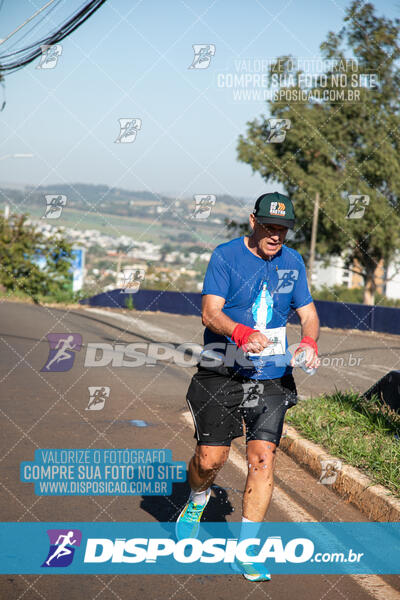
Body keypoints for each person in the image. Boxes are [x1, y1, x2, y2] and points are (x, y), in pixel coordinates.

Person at [176, 192, 320, 581]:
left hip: (270, 376)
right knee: (210, 460)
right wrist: (239, 332)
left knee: (262, 458)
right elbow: (210, 313)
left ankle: (247, 550)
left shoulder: (292, 262)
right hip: (222, 371)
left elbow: (308, 313)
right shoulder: (226, 256)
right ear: (253, 221)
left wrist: (308, 342)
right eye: (270, 227)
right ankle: (198, 497)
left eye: (283, 229)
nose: (276, 235)